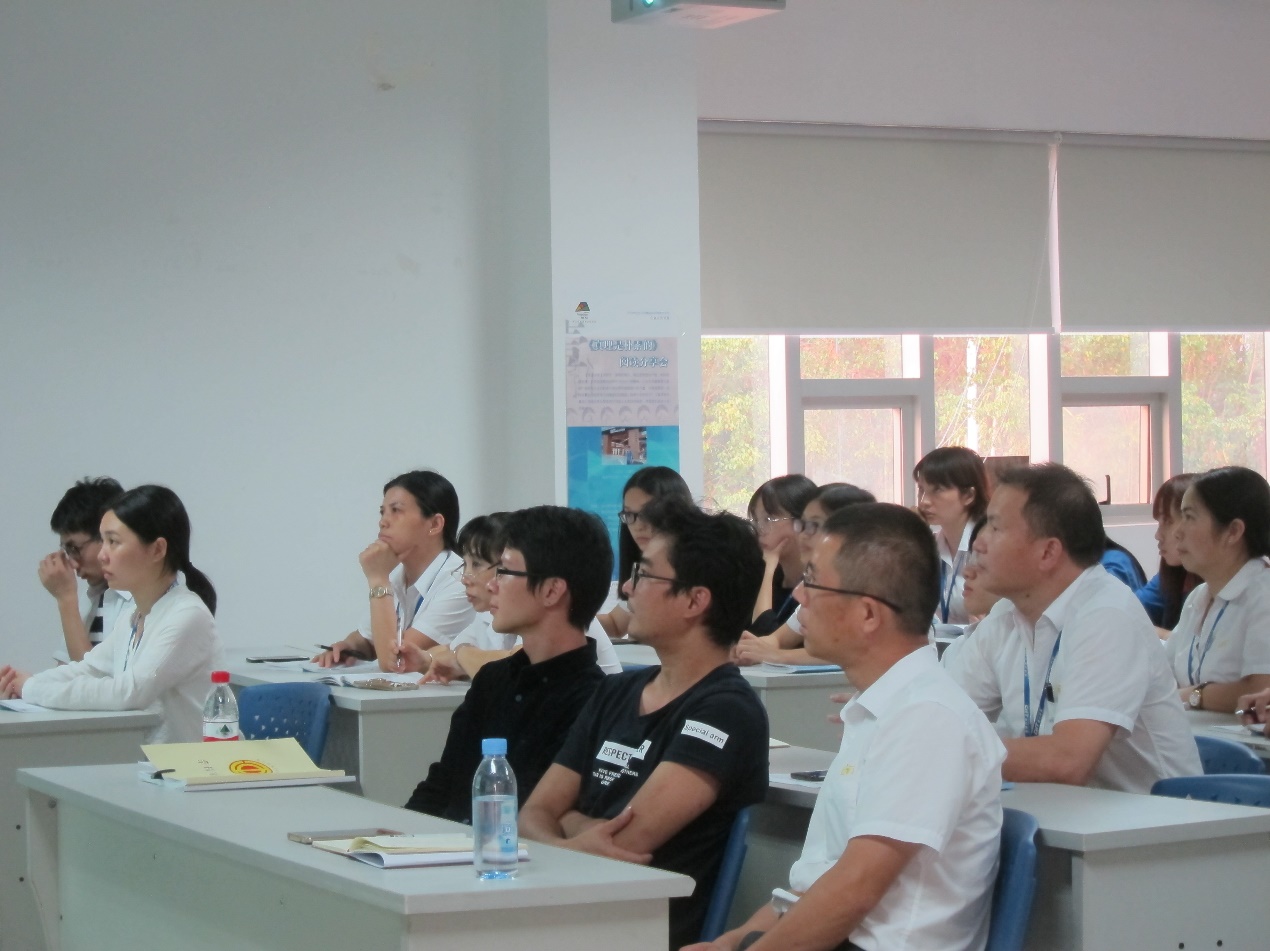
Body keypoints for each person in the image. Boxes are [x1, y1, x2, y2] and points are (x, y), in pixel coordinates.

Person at [689, 504, 1005, 951]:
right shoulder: (880, 708)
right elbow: (817, 883)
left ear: (869, 614)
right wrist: (734, 941)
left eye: (814, 581)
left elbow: (853, 891)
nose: (800, 596)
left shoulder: (927, 716)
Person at [520, 497, 769, 950]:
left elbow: (624, 845)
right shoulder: (616, 692)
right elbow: (532, 815)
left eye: (644, 575)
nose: (627, 590)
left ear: (694, 600)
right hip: (566, 910)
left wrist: (567, 821)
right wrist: (575, 839)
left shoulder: (725, 711)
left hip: (635, 929)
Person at [943, 463, 1200, 793]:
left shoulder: (1106, 614)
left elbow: (1067, 761)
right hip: (1065, 811)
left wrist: (944, 750)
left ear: (1048, 552)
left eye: (995, 528)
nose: (978, 543)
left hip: (1155, 819)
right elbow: (943, 711)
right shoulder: (1008, 614)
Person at [404, 506, 612, 821]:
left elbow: (531, 818)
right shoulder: (492, 680)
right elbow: (440, 786)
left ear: (551, 590)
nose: (492, 585)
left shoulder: (594, 703)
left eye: (504, 572)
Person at [0, 485, 221, 744]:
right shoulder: (134, 615)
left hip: (190, 764)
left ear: (157, 550)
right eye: (102, 541)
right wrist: (18, 683)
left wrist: (31, 688)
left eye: (113, 542)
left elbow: (129, 692)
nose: (102, 555)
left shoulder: (187, 614)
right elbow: (89, 669)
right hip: (144, 758)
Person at [422, 513, 621, 683]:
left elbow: (514, 669)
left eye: (477, 564)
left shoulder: (566, 617)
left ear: (551, 590)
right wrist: (426, 659)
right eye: (464, 565)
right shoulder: (495, 614)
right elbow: (451, 651)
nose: (465, 579)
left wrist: (462, 654)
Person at [313, 470, 472, 673]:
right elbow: (366, 638)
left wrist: (378, 580)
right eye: (383, 512)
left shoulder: (460, 581)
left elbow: (396, 662)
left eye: (396, 510)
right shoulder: (399, 576)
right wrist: (350, 647)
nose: (383, 522)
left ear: (434, 524)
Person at [1164, 466, 1270, 714]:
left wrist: (1194, 695)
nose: (1177, 532)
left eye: (1189, 517)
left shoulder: (1263, 594)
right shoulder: (1199, 597)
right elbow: (1161, 672)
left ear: (1233, 532)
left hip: (1242, 738)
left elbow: (1261, 689)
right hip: (1193, 733)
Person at [735, 483, 875, 666]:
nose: (802, 534)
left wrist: (778, 656)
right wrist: (744, 650)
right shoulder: (817, 581)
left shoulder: (869, 583)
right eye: (802, 525)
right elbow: (776, 638)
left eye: (814, 525)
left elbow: (849, 648)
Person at [38, 476, 131, 663]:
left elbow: (93, 675)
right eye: (67, 551)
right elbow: (66, 672)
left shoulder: (140, 600)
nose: (72, 563)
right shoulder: (92, 596)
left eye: (75, 548)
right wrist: (28, 680)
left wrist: (66, 599)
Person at [596, 466, 693, 640]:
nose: (638, 525)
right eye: (629, 514)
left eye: (648, 513)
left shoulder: (701, 567)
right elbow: (616, 624)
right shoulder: (641, 567)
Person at [914, 446, 990, 625]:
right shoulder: (930, 546)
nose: (924, 501)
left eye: (937, 490)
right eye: (921, 489)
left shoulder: (987, 548)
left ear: (969, 495)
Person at [747, 474, 818, 635]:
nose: (760, 530)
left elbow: (764, 636)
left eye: (768, 519)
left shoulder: (818, 585)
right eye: (756, 520)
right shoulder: (755, 573)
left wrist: (769, 569)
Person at [1136, 474, 1200, 634]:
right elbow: (1130, 609)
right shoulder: (1172, 575)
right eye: (1159, 522)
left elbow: (1196, 644)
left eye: (1167, 521)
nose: (1158, 535)